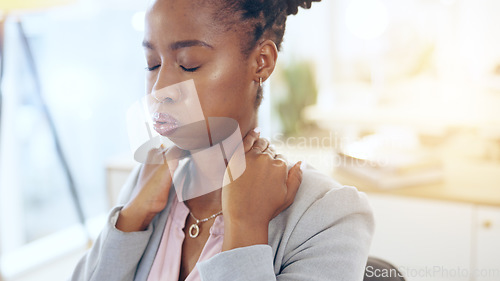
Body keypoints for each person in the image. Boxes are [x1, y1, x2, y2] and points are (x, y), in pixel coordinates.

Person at [71, 0, 374, 280]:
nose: (160, 88)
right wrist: (131, 219)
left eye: (189, 64)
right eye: (153, 64)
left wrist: (245, 230)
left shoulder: (329, 216)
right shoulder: (147, 181)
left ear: (262, 62)